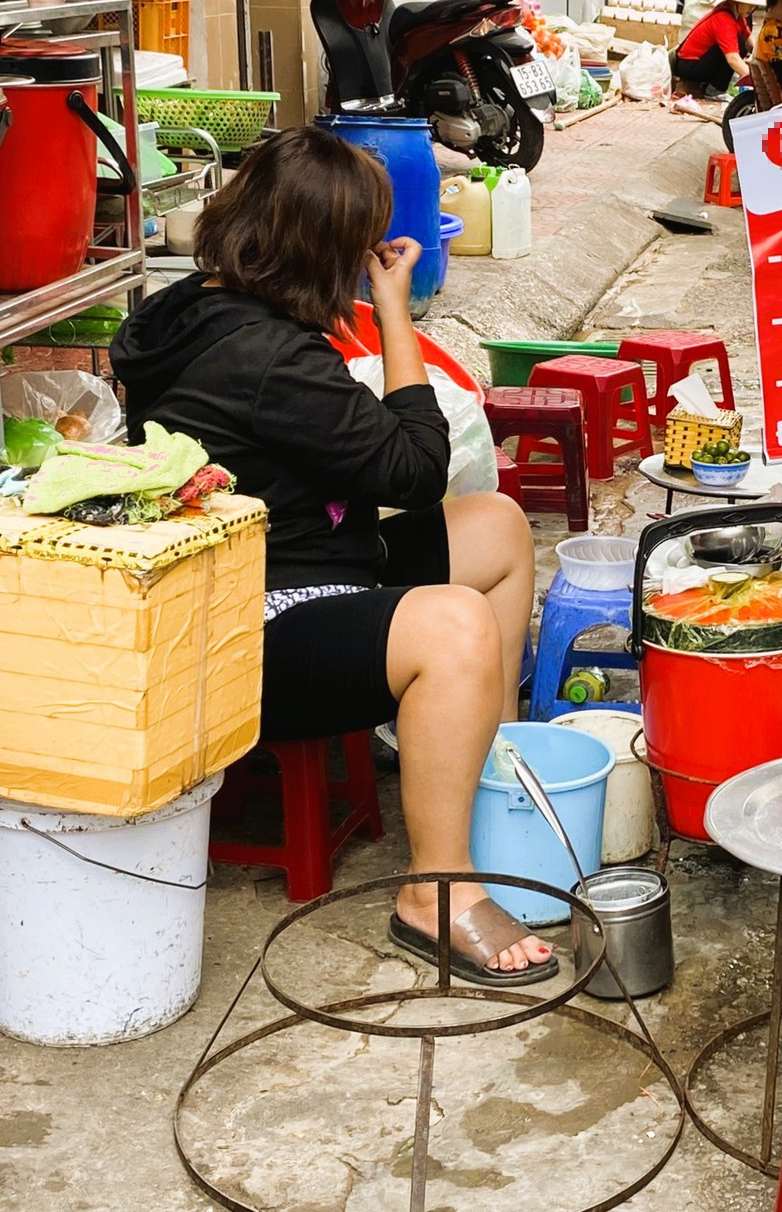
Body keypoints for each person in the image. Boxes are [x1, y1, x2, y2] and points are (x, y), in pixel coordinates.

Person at [110, 127, 551, 987]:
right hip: (259, 624)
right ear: (326, 250)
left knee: (496, 525)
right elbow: (417, 470)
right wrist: (392, 311)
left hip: (294, 558)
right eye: (359, 243)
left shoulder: (195, 305)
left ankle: (471, 775)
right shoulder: (269, 359)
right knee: (454, 624)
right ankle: (435, 891)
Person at [673, 0, 765, 98]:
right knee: (735, 45)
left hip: (697, 62)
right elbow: (733, 59)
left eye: (754, 5)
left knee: (741, 42)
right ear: (736, 1)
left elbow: (750, 44)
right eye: (749, 4)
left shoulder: (737, 16)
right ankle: (715, 90)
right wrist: (757, 83)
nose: (752, 8)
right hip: (689, 64)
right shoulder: (724, 19)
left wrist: (762, 63)